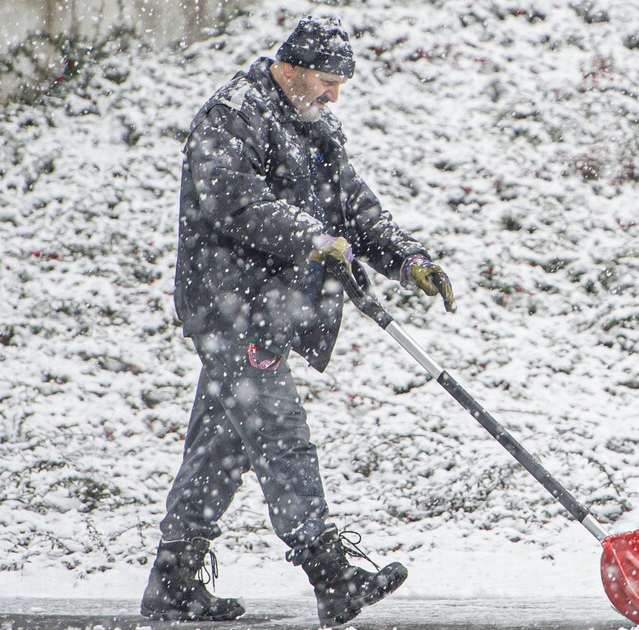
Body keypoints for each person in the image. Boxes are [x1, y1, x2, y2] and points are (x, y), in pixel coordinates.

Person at [141, 15, 455, 626]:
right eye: (326, 81)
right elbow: (230, 197)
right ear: (290, 68)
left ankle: (173, 580)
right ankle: (330, 575)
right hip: (233, 306)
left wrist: (408, 259)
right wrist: (309, 236)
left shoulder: (314, 125)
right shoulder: (233, 113)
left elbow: (355, 207)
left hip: (271, 309)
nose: (334, 95)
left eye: (340, 84)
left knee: (220, 446)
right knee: (281, 435)